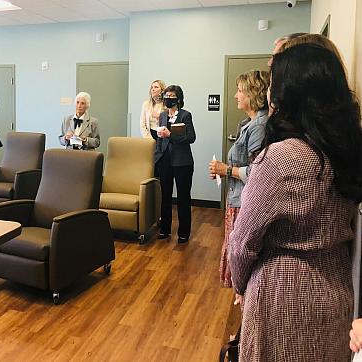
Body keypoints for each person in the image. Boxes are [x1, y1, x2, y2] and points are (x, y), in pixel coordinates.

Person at [229, 44, 362, 361]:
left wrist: (239, 284)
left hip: (280, 294)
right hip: (337, 290)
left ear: (289, 93)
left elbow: (243, 243)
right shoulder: (349, 152)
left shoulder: (280, 159)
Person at [208, 70, 270, 288]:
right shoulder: (249, 123)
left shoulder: (259, 127)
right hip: (236, 198)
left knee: (241, 258)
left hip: (245, 202)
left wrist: (226, 170)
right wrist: (223, 170)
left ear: (253, 94)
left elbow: (258, 173)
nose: (236, 95)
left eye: (240, 91)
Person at [154, 85, 196, 243]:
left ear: (178, 99)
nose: (168, 98)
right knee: (165, 196)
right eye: (166, 95)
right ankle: (165, 229)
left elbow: (191, 138)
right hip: (165, 160)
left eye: (171, 95)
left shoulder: (186, 115)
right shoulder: (163, 115)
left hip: (182, 162)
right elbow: (159, 138)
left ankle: (184, 233)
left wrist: (170, 135)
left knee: (183, 197)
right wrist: (157, 156)